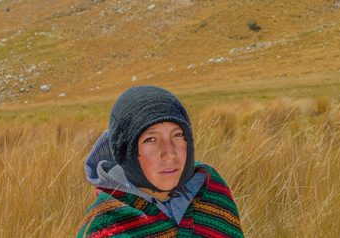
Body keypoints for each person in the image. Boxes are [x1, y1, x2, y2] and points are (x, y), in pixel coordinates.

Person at [77, 86, 244, 238]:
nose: (169, 153)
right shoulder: (103, 227)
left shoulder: (211, 192)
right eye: (151, 139)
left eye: (178, 135)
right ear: (126, 151)